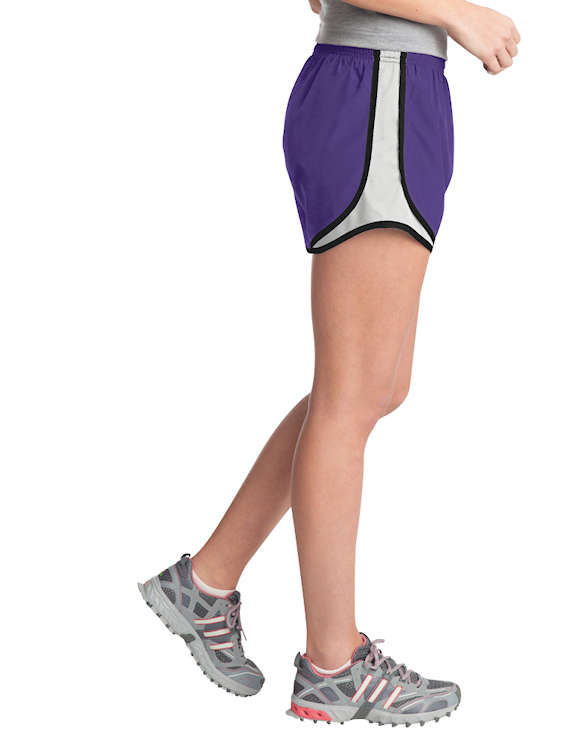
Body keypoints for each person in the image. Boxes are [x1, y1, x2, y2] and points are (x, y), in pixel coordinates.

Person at [138, 0, 520, 726]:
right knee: (352, 396)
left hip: (392, 87)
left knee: (375, 387)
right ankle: (331, 666)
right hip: (378, 92)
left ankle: (206, 582)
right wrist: (456, 14)